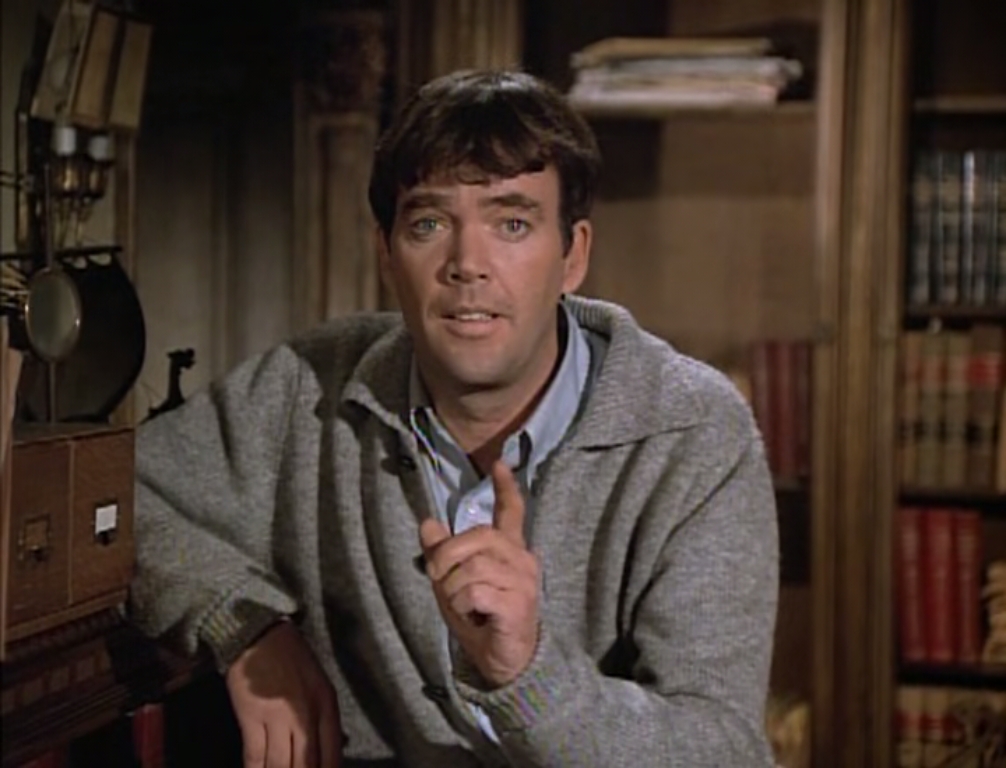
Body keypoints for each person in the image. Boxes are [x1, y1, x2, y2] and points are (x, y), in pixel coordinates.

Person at [129, 69, 779, 768]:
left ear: (573, 257)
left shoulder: (693, 432)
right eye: (429, 224)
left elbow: (723, 751)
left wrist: (528, 676)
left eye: (512, 223)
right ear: (387, 254)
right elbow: (111, 503)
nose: (468, 265)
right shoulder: (307, 388)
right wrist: (243, 625)